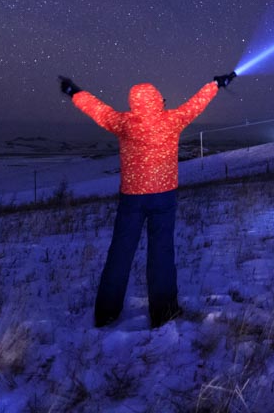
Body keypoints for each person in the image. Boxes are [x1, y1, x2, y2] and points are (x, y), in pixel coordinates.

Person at [59, 71, 236, 328]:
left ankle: (106, 313)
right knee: (161, 252)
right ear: (157, 101)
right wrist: (216, 84)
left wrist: (73, 92)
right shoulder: (172, 120)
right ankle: (164, 312)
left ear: (134, 103)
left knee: (120, 253)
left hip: (132, 198)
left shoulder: (123, 123)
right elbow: (196, 104)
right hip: (164, 197)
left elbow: (96, 109)